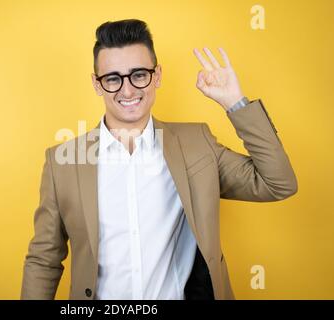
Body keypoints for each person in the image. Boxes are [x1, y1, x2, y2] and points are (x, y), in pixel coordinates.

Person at [21, 19, 297, 300]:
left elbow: (277, 183)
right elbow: (44, 260)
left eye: (139, 74)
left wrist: (235, 103)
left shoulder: (196, 145)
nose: (127, 91)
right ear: (96, 84)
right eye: (113, 78)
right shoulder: (62, 163)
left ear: (158, 75)